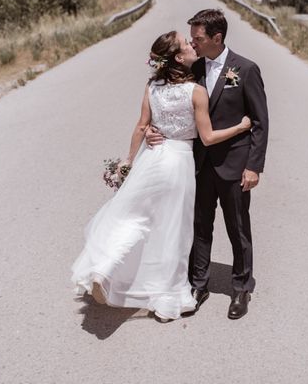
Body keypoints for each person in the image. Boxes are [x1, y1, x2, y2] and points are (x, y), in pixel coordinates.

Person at [71, 30, 252, 322]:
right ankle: (166, 296)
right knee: (173, 231)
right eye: (186, 43)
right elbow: (206, 137)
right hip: (178, 163)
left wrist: (128, 161)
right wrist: (242, 127)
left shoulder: (152, 85)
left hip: (152, 160)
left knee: (136, 218)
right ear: (179, 58)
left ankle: (104, 268)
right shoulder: (196, 91)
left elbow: (142, 126)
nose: (192, 45)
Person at [147, 9, 269, 320]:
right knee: (200, 227)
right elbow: (168, 98)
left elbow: (259, 122)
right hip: (198, 165)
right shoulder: (193, 67)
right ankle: (198, 284)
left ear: (217, 38)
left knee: (238, 229)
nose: (193, 43)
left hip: (235, 165)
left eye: (198, 38)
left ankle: (240, 288)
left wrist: (254, 166)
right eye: (191, 38)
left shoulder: (246, 69)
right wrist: (152, 129)